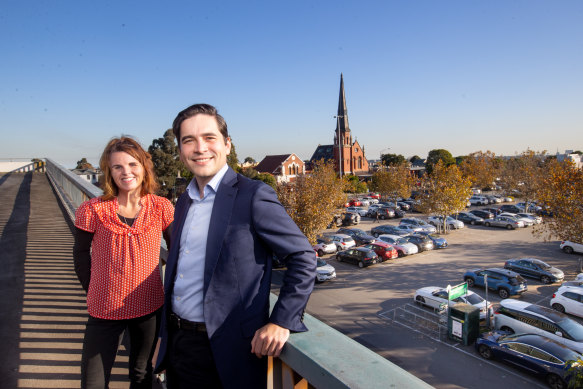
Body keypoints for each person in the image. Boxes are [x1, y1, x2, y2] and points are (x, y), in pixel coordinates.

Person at [154, 103, 316, 388]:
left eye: (209, 138)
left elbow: (303, 257)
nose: (199, 148)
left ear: (227, 145)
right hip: (179, 345)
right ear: (180, 151)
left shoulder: (253, 195)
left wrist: (281, 321)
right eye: (188, 140)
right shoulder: (183, 201)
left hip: (226, 351)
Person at [73, 136, 174, 389]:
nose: (126, 172)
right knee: (93, 382)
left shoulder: (161, 207)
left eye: (132, 164)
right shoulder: (93, 209)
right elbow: (81, 254)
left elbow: (179, 252)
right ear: (109, 172)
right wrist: (94, 290)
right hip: (104, 310)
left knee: (141, 375)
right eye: (117, 167)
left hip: (149, 309)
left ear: (143, 167)